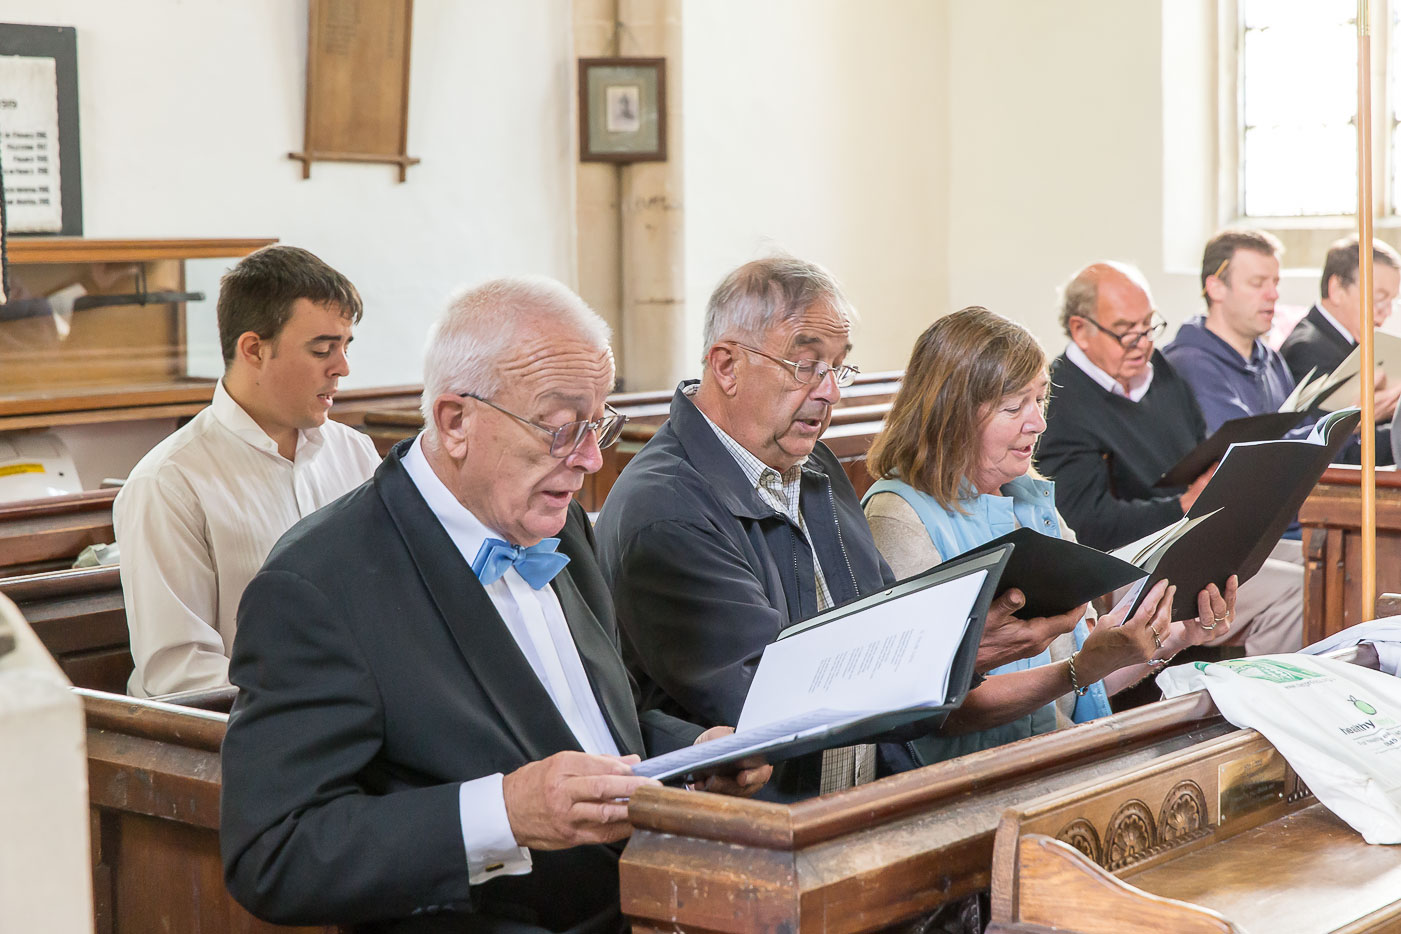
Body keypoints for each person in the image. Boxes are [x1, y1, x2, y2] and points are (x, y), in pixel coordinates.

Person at [220, 277, 769, 934]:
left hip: (650, 902)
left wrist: (691, 759)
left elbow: (589, 723)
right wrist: (502, 814)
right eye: (562, 428)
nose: (591, 459)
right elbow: (273, 854)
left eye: (597, 424)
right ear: (456, 422)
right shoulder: (319, 584)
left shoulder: (559, 525)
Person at [595, 256, 1084, 800]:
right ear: (726, 366)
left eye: (838, 367)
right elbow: (767, 703)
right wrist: (962, 651)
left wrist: (955, 651)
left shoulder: (814, 468)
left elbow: (886, 624)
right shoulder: (667, 508)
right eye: (806, 365)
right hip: (768, 824)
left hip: (859, 800)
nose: (830, 391)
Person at [862, 306, 1234, 762]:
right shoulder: (898, 517)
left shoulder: (1031, 503)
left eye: (1039, 399)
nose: (1037, 422)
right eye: (1014, 406)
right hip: (966, 782)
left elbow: (1081, 684)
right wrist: (1081, 669)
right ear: (950, 413)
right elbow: (943, 709)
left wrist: (1173, 636)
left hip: (1056, 755)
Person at [114, 245, 381, 697]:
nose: (343, 368)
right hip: (249, 738)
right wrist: (323, 699)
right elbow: (178, 673)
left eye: (345, 346)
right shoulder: (169, 483)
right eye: (322, 349)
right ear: (254, 349)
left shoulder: (356, 455)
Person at [1036, 262, 1304, 656]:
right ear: (1080, 329)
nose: (1143, 343)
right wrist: (1179, 507)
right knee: (1297, 590)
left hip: (1194, 534)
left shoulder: (1157, 371)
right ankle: (1250, 706)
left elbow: (1196, 446)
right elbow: (1085, 524)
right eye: (1127, 331)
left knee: (1324, 561)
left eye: (1148, 326)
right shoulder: (1061, 401)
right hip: (1132, 565)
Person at [1279, 236, 1401, 465]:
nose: (1386, 312)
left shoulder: (1346, 341)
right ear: (1336, 289)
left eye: (1392, 301)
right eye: (1379, 298)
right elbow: (1333, 452)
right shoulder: (1308, 349)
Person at [1161, 229, 1297, 434]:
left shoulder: (1271, 360)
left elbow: (1299, 430)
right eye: (1257, 283)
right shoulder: (1189, 364)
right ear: (1216, 288)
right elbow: (1244, 447)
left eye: (1275, 283)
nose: (1273, 294)